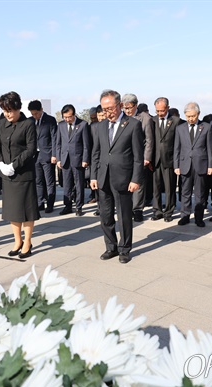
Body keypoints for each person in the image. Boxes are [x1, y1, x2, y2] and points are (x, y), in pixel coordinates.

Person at [90, 89, 145, 264]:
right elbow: (95, 153)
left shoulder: (132, 124)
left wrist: (136, 179)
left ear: (120, 105)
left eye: (111, 109)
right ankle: (111, 247)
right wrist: (93, 176)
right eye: (104, 110)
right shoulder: (100, 126)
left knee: (124, 217)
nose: (108, 113)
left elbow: (138, 155)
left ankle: (124, 249)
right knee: (105, 217)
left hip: (123, 178)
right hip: (102, 177)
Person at [0, 91, 40, 258]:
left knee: (26, 211)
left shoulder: (27, 124)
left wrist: (14, 165)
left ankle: (27, 241)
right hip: (7, 175)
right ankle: (17, 241)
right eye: (5, 111)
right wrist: (0, 164)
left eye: (10, 110)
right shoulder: (1, 124)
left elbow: (30, 149)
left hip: (23, 174)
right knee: (12, 211)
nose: (7, 114)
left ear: (18, 108)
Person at [174, 102, 212, 227]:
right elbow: (177, 148)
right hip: (185, 164)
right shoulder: (180, 128)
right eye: (188, 116)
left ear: (198, 114)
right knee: (184, 192)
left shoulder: (206, 127)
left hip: (200, 165)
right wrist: (176, 165)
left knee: (200, 193)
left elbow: (209, 148)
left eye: (193, 116)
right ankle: (185, 216)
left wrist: (210, 165)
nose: (191, 119)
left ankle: (199, 217)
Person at [122, 93, 154, 222]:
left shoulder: (145, 118)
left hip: (140, 156)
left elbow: (149, 139)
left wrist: (147, 157)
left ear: (135, 105)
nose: (127, 110)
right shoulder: (123, 117)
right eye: (125, 108)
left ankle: (138, 209)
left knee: (139, 184)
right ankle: (128, 208)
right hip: (125, 156)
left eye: (129, 107)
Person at [56, 104, 91, 216]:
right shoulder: (61, 125)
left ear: (74, 115)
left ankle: (79, 206)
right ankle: (67, 205)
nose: (67, 119)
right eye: (65, 117)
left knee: (79, 184)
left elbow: (86, 144)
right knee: (66, 184)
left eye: (69, 117)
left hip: (78, 159)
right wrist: (58, 158)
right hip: (65, 159)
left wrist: (85, 159)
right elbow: (58, 143)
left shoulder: (83, 124)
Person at [151, 97, 181, 222]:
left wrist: (176, 161)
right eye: (157, 111)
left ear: (167, 108)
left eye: (162, 111)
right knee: (156, 188)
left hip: (169, 159)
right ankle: (157, 210)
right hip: (155, 160)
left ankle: (168, 211)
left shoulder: (176, 121)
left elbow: (178, 142)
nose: (160, 113)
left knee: (170, 188)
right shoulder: (152, 121)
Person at [28, 100, 57, 213]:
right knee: (38, 180)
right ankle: (40, 203)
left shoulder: (50, 120)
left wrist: (54, 154)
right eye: (32, 114)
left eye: (36, 113)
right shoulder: (30, 121)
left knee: (49, 181)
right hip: (35, 156)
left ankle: (50, 203)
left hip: (48, 154)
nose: (35, 116)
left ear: (41, 109)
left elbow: (54, 138)